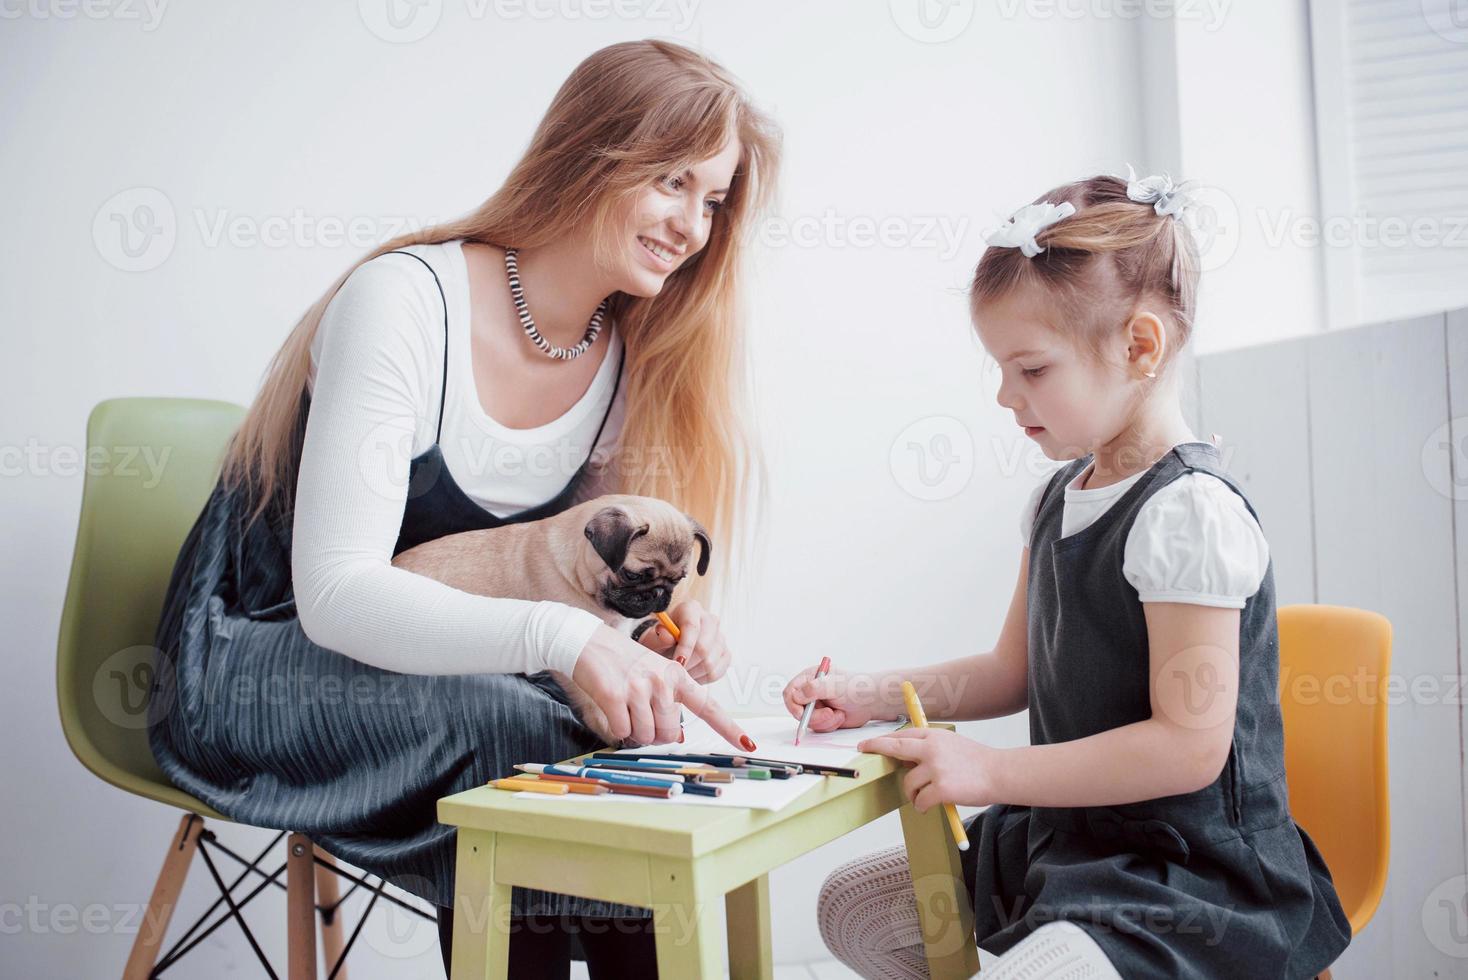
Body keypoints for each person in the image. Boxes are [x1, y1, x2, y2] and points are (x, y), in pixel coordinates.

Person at [147, 38, 780, 979]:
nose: (694, 225)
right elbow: (337, 597)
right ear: (590, 154)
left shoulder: (626, 350)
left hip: (442, 685)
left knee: (623, 742)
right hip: (253, 665)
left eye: (715, 199)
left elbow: (577, 586)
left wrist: (661, 627)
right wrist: (566, 646)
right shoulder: (405, 303)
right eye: (673, 182)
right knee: (524, 731)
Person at [783, 172, 1351, 978]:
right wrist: (874, 694)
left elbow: (1189, 748)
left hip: (1185, 873)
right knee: (853, 906)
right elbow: (1008, 672)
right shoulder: (1056, 497)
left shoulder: (1188, 514)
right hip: (1074, 837)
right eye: (1001, 370)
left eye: (1032, 369)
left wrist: (990, 771)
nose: (1005, 396)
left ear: (1140, 347)